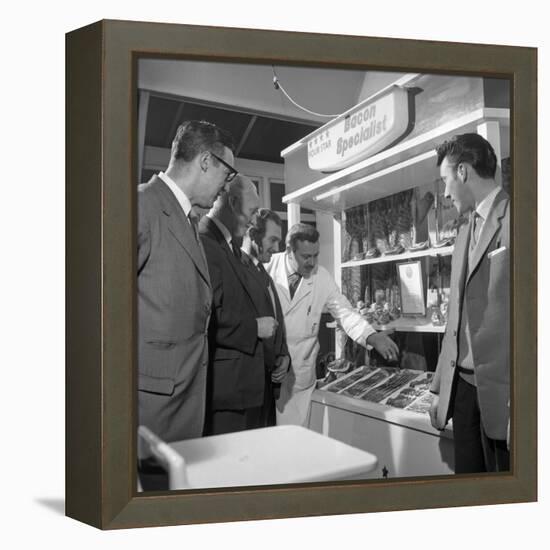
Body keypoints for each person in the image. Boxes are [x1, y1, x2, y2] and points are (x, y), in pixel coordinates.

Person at [137, 119, 237, 445]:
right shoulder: (139, 206)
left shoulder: (187, 219)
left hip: (180, 414)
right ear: (206, 161)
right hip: (148, 417)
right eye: (228, 174)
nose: (227, 185)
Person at [429, 133, 510, 473]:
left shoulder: (523, 218)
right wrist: (438, 388)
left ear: (463, 172)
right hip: (462, 391)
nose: (445, 193)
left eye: (446, 180)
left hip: (502, 396)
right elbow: (456, 318)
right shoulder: (464, 229)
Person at [266, 223, 399, 427]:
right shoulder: (267, 268)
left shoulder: (322, 277)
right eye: (305, 256)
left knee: (297, 444)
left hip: (300, 377)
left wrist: (372, 336)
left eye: (315, 255)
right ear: (289, 250)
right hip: (269, 373)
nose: (312, 262)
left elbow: (344, 312)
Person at [199, 176, 279, 434]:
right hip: (228, 393)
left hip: (243, 388)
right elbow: (207, 319)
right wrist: (254, 328)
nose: (256, 221)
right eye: (253, 211)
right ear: (232, 203)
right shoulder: (206, 243)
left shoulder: (227, 246)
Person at [241, 209, 290, 426]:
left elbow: (275, 320)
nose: (277, 248)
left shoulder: (263, 273)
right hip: (247, 389)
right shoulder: (237, 271)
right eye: (272, 240)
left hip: (268, 387)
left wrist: (283, 355)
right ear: (253, 235)